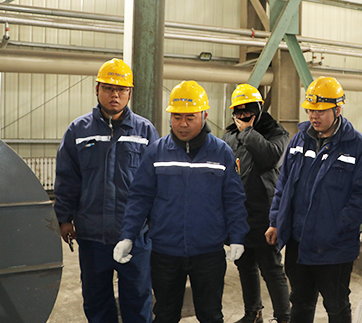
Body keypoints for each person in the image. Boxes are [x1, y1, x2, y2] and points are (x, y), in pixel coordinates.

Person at [113, 80, 250, 323]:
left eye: (190, 117)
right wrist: (128, 236)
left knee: (210, 315)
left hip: (208, 252)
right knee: (165, 314)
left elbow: (233, 199)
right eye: (177, 117)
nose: (183, 124)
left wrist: (238, 237)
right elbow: (140, 198)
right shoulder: (157, 153)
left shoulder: (221, 153)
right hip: (166, 252)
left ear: (204, 116)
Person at [266, 76, 362, 323]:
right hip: (298, 241)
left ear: (337, 110)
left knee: (336, 306)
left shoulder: (358, 147)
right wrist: (275, 221)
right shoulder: (299, 140)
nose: (313, 116)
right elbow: (283, 184)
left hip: (334, 248)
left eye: (320, 111)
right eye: (310, 110)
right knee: (300, 303)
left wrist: (338, 225)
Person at [53, 58, 159, 323]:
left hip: (134, 234)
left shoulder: (145, 131)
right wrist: (64, 218)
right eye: (109, 88)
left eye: (121, 89)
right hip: (92, 235)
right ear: (97, 89)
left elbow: (156, 183)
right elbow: (67, 178)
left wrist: (155, 223)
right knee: (96, 299)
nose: (115, 95)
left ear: (130, 93)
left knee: (138, 299)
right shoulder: (78, 131)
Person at [223, 84, 291, 323]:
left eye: (248, 111)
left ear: (259, 109)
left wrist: (248, 132)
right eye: (239, 112)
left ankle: (284, 317)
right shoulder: (229, 135)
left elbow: (270, 157)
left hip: (265, 214)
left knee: (271, 268)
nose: (243, 116)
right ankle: (253, 314)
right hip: (239, 214)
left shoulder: (277, 133)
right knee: (244, 266)